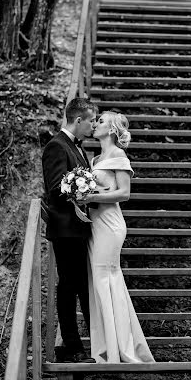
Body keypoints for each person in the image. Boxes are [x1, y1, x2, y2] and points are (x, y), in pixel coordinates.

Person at [81, 111, 155, 364]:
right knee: (98, 281)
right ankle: (105, 347)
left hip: (111, 225)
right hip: (94, 224)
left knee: (106, 279)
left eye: (100, 121)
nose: (95, 124)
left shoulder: (118, 155)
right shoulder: (95, 159)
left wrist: (91, 198)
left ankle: (120, 349)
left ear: (112, 129)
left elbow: (124, 193)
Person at [42, 97, 98, 363]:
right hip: (65, 229)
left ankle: (82, 345)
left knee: (80, 285)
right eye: (91, 121)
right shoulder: (56, 146)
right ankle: (73, 349)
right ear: (78, 120)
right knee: (68, 286)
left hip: (78, 229)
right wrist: (85, 191)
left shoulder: (77, 147)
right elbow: (56, 188)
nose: (93, 126)